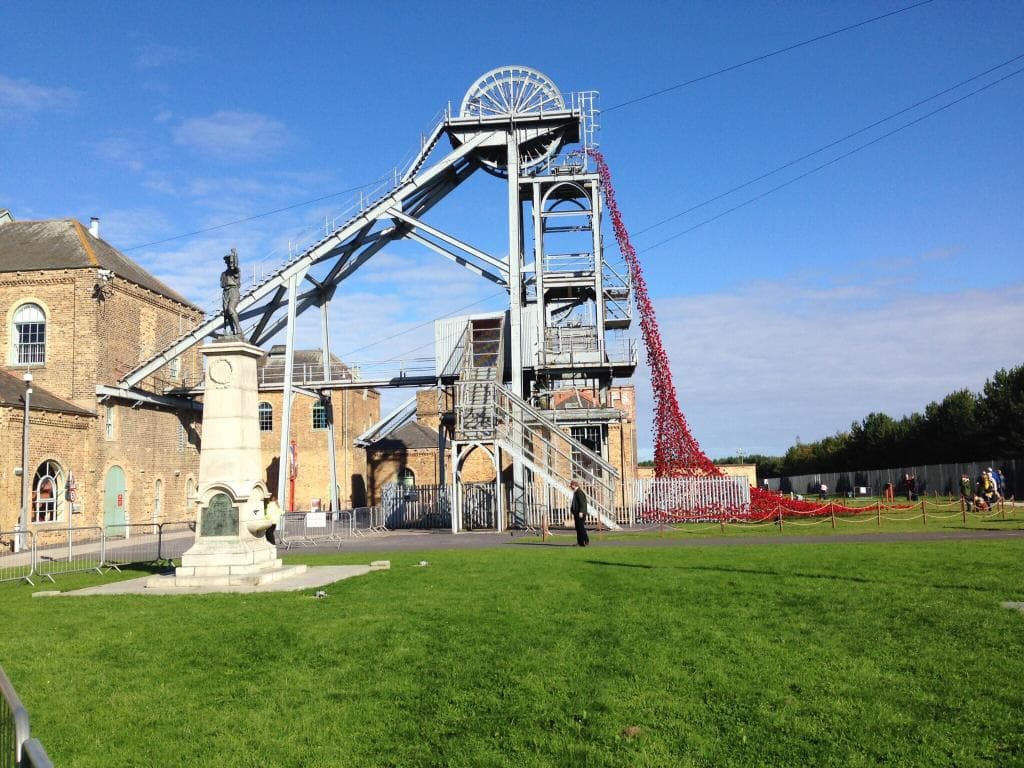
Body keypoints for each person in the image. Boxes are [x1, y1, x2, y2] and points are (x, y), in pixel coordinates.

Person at [220, 248, 242, 336]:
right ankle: (232, 330)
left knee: (231, 309)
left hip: (234, 291)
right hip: (225, 292)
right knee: (226, 312)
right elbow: (222, 285)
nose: (230, 263)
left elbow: (235, 267)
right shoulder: (223, 274)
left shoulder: (235, 271)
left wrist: (235, 255)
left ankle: (238, 329)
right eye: (228, 262)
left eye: (231, 261)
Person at [569, 479, 590, 547]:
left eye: (571, 485)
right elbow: (575, 503)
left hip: (580, 513)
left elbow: (583, 503)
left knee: (580, 527)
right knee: (578, 528)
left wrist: (581, 512)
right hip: (576, 513)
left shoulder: (579, 492)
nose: (570, 487)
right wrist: (572, 510)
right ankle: (580, 542)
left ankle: (585, 541)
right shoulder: (576, 492)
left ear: (574, 485)